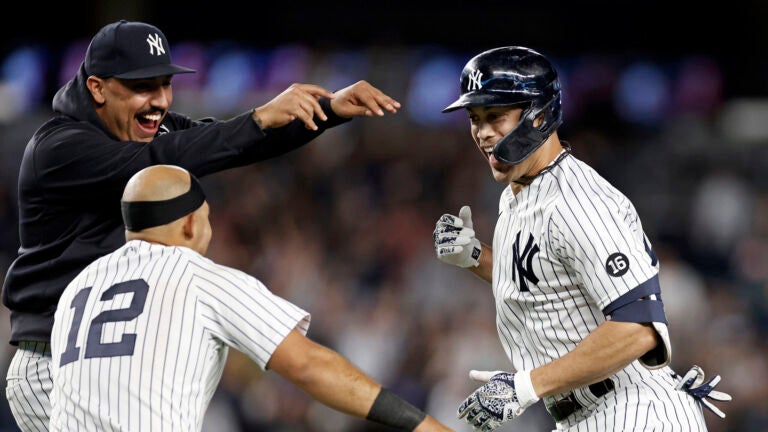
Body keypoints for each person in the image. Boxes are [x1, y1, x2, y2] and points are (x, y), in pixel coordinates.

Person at [2, 19, 401, 431]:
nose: (159, 100)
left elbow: (229, 145)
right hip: (55, 361)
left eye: (164, 84)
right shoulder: (59, 147)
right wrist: (260, 116)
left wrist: (329, 111)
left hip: (118, 358)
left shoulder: (147, 128)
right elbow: (163, 157)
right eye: (142, 86)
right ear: (98, 88)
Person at [432, 46, 731, 431]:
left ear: (539, 116)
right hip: (586, 415)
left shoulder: (579, 201)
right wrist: (474, 255)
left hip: (633, 411)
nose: (482, 133)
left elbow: (638, 330)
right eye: (475, 118)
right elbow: (541, 283)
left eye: (495, 116)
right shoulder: (518, 194)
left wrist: (525, 386)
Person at [47, 164, 451, 432]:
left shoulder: (78, 288)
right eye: (206, 217)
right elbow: (309, 365)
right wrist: (422, 425)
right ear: (189, 223)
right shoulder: (199, 278)